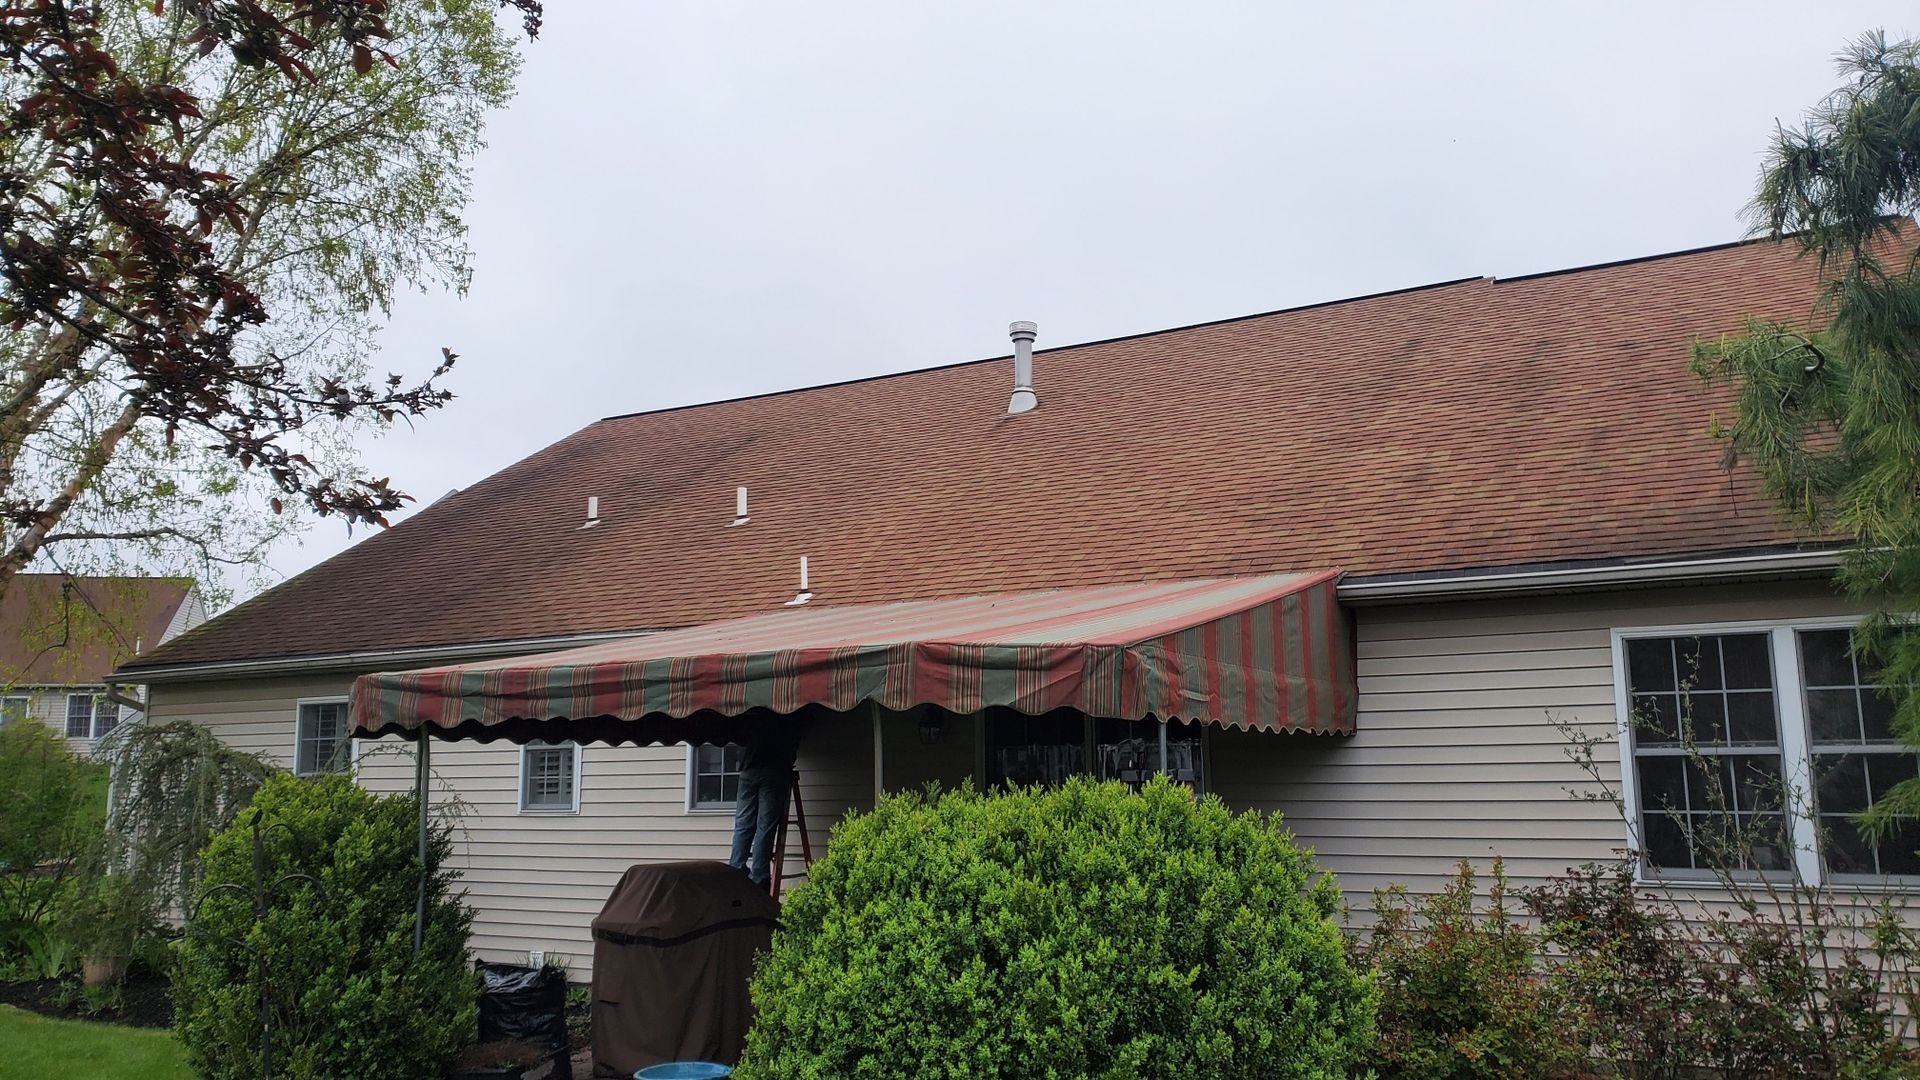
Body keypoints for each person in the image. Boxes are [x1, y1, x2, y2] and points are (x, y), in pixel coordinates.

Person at [729, 715, 811, 887]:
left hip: (748, 768)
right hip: (773, 770)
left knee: (743, 824)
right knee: (765, 825)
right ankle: (759, 876)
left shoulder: (752, 708)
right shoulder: (784, 711)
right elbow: (797, 731)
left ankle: (735, 869)